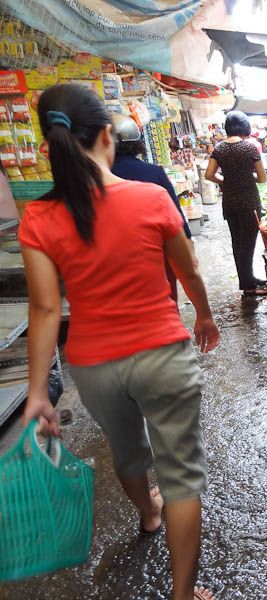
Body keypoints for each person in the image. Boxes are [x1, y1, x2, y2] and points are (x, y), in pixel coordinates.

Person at [19, 83, 220, 600]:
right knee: (182, 477)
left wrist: (38, 391)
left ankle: (148, 514)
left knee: (127, 452)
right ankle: (182, 595)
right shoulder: (151, 198)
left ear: (48, 146)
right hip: (163, 357)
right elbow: (189, 271)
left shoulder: (37, 218)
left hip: (94, 367)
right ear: (107, 136)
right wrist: (203, 315)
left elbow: (45, 309)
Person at [110, 114, 193, 302]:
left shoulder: (94, 177)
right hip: (157, 250)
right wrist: (189, 247)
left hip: (114, 258)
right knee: (166, 300)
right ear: (137, 143)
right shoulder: (153, 172)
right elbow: (176, 216)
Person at [205, 111, 267, 296]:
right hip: (249, 202)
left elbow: (209, 174)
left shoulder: (219, 149)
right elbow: (262, 178)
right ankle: (249, 287)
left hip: (230, 203)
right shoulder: (249, 148)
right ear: (245, 126)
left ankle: (247, 279)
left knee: (237, 243)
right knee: (248, 244)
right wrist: (247, 177)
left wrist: (226, 181)